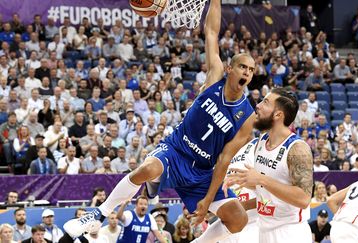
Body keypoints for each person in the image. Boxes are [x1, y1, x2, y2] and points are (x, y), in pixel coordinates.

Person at [64, 0, 256, 241]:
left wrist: (207, 200)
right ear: (230, 69)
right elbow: (211, 31)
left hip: (203, 172)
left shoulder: (247, 116)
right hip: (176, 150)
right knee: (148, 169)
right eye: (242, 66)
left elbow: (225, 160)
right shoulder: (215, 75)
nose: (247, 72)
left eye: (251, 69)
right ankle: (97, 214)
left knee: (238, 220)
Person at [227, 89, 313, 242]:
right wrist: (243, 202)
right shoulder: (261, 140)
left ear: (278, 115)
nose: (258, 106)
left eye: (265, 102)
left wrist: (261, 180)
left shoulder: (297, 149)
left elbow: (304, 199)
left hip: (290, 233)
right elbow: (271, 194)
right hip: (264, 230)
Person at [220, 138, 259, 243]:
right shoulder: (223, 153)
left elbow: (271, 191)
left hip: (254, 224)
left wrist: (244, 206)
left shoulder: (258, 145)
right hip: (229, 227)